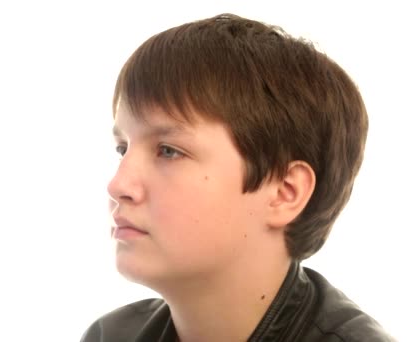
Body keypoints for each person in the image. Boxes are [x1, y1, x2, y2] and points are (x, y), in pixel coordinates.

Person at [81, 13, 395, 342]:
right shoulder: (111, 335)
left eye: (169, 151)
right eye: (122, 149)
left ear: (285, 191)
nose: (118, 186)